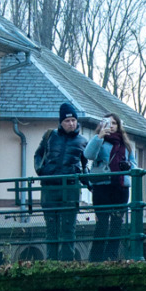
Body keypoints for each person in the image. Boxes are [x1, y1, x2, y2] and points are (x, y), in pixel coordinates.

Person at [33, 101, 88, 261]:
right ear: (61, 122)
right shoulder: (50, 136)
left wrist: (84, 177)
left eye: (73, 120)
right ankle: (51, 263)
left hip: (70, 189)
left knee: (68, 229)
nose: (71, 123)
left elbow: (85, 165)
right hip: (50, 188)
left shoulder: (83, 141)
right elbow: (38, 154)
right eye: (67, 121)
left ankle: (67, 264)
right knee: (51, 229)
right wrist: (41, 170)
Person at [84, 113, 133, 262]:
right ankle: (97, 258)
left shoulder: (125, 144)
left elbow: (134, 163)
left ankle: (112, 257)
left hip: (120, 187)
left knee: (117, 224)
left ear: (118, 126)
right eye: (107, 122)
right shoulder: (99, 140)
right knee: (102, 224)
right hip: (102, 187)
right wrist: (99, 136)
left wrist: (129, 166)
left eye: (114, 123)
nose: (111, 126)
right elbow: (89, 154)